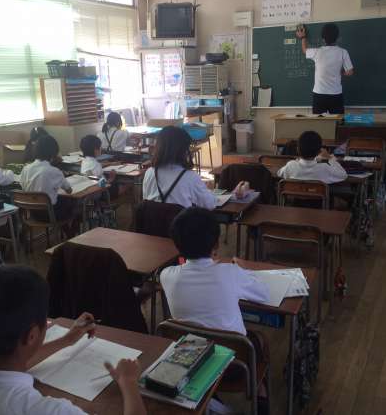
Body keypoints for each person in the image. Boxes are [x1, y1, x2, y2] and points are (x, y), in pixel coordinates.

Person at [0, 265, 146, 415]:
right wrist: (129, 382)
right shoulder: (51, 410)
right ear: (32, 335)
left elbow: (11, 362)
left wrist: (67, 339)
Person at [161, 207, 269, 335]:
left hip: (189, 345)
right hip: (231, 347)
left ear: (177, 245)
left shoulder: (166, 276)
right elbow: (264, 294)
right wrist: (243, 268)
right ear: (216, 244)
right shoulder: (230, 273)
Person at [143, 126, 217, 209]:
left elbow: (146, 199)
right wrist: (207, 190)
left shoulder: (149, 173)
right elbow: (210, 205)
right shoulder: (190, 177)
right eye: (188, 148)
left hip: (153, 217)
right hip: (181, 217)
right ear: (182, 150)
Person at [20, 135, 76, 232]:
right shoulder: (54, 171)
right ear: (54, 153)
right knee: (76, 204)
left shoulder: (26, 169)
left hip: (32, 214)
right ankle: (71, 234)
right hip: (51, 215)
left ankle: (67, 233)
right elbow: (69, 190)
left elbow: (23, 187)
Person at [296, 23, 354, 114]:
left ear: (323, 38)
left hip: (319, 94)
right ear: (337, 37)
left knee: (319, 121)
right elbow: (350, 72)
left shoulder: (317, 52)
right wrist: (341, 72)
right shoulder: (343, 52)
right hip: (336, 94)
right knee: (338, 120)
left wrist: (303, 37)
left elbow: (304, 50)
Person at [277, 131, 347, 184]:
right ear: (319, 151)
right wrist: (330, 158)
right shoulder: (325, 166)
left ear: (298, 150)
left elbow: (279, 173)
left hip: (295, 198)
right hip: (319, 198)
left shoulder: (291, 165)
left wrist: (296, 161)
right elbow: (343, 175)